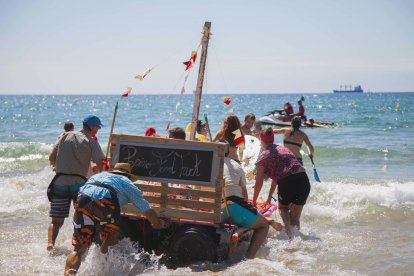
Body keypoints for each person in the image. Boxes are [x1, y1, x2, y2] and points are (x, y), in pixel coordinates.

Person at [64, 163, 162, 275]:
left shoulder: (97, 176)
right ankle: (105, 259)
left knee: (79, 249)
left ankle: (70, 273)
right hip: (107, 203)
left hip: (83, 201)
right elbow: (147, 211)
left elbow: (82, 194)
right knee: (112, 236)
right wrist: (157, 225)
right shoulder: (127, 183)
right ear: (128, 176)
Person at [47, 114, 105, 252]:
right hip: (79, 185)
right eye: (97, 127)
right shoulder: (91, 141)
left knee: (56, 220)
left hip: (59, 182)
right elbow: (100, 163)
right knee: (81, 216)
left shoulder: (64, 136)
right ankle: (78, 247)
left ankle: (50, 244)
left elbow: (51, 157)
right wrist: (98, 174)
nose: (98, 130)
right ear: (91, 126)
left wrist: (59, 165)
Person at [253, 127, 311, 239]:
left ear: (261, 140)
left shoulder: (263, 156)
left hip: (287, 181)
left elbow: (259, 182)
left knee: (283, 208)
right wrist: (269, 196)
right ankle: (297, 243)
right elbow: (277, 176)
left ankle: (289, 236)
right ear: (272, 139)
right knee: (295, 219)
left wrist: (254, 202)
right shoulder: (284, 149)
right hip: (303, 180)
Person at [220, 141, 270, 259]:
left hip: (215, 211)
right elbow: (245, 196)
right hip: (233, 206)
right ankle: (249, 257)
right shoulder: (236, 165)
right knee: (264, 225)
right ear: (228, 152)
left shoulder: (206, 164)